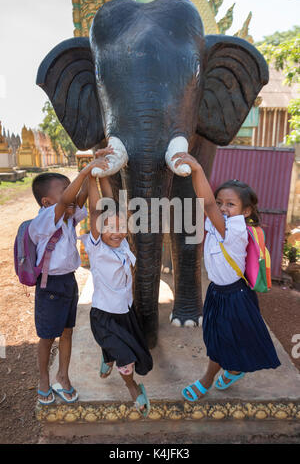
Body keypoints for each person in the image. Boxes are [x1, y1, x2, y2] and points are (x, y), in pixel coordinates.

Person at [171, 153, 281, 401]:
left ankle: (206, 380)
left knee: (221, 343)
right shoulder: (220, 223)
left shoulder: (235, 228)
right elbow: (208, 207)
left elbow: (206, 204)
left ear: (246, 210)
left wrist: (198, 169)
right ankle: (233, 369)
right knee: (218, 338)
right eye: (220, 202)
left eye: (230, 204)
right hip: (218, 292)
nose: (222, 208)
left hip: (234, 295)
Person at [29, 149, 112, 405]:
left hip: (68, 282)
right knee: (47, 336)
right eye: (63, 190)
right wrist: (86, 169)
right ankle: (44, 379)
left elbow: (81, 196)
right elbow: (68, 200)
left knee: (67, 332)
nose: (70, 193)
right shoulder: (45, 220)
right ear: (46, 201)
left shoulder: (66, 219)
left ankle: (63, 377)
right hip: (49, 285)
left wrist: (92, 171)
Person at [80, 166, 153, 417]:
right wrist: (91, 176)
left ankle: (106, 356)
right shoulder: (98, 247)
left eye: (122, 227)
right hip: (104, 316)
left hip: (125, 313)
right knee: (126, 357)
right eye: (109, 227)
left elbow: (110, 204)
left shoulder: (123, 245)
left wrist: (103, 175)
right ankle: (133, 389)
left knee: (121, 348)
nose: (117, 232)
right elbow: (96, 209)